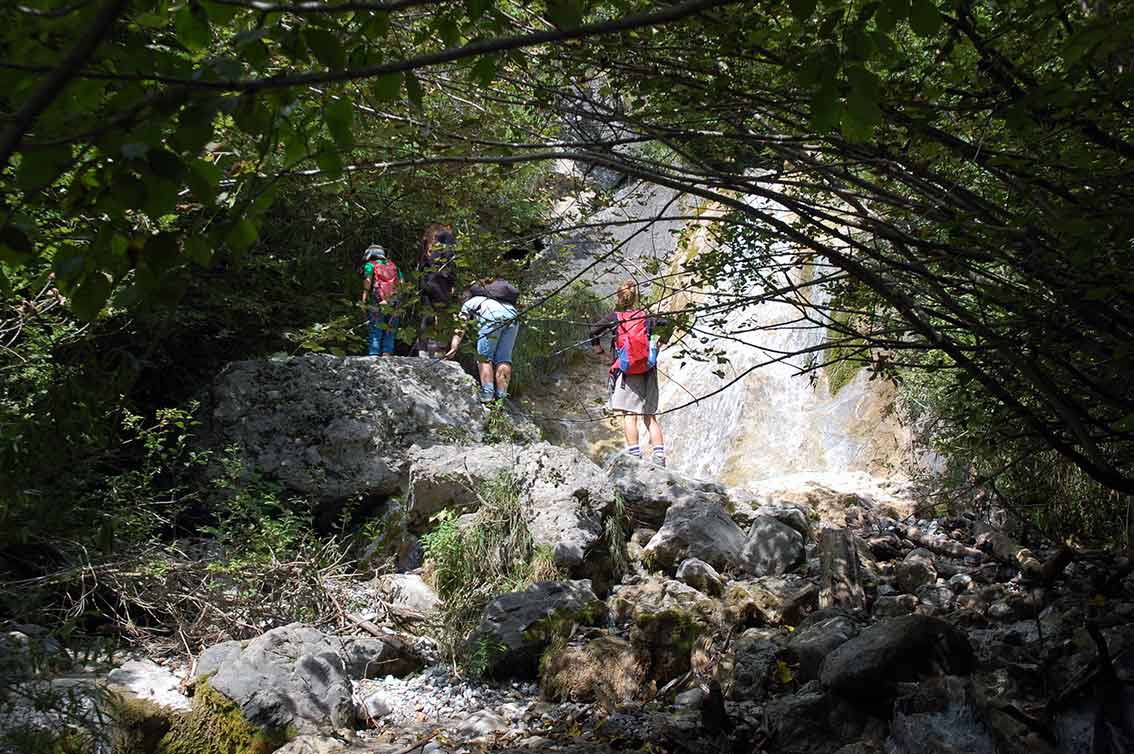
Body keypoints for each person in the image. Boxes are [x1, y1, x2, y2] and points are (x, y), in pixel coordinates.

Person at [590, 279, 668, 466]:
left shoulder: (614, 317)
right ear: (636, 298)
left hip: (626, 371)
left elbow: (593, 331)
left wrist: (599, 351)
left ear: (618, 298)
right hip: (648, 367)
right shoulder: (646, 317)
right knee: (649, 416)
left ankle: (634, 456)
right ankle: (659, 457)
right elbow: (667, 322)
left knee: (629, 415)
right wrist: (661, 341)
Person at [445, 282, 522, 403]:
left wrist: (454, 347)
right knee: (504, 358)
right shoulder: (503, 301)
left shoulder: (470, 302)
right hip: (513, 316)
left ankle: (487, 394)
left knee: (484, 357)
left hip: (492, 317)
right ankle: (502, 397)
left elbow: (460, 327)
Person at [416, 224, 458, 357]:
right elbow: (450, 261)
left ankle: (423, 349)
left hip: (426, 279)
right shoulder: (446, 238)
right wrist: (452, 282)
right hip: (441, 281)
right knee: (442, 314)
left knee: (426, 314)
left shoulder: (428, 239)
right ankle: (440, 350)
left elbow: (421, 263)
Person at [360, 244, 403, 356]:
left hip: (377, 301)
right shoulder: (394, 265)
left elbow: (368, 281)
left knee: (375, 329)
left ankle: (373, 356)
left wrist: (364, 296)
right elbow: (402, 283)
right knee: (390, 329)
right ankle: (387, 355)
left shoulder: (370, 265)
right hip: (394, 301)